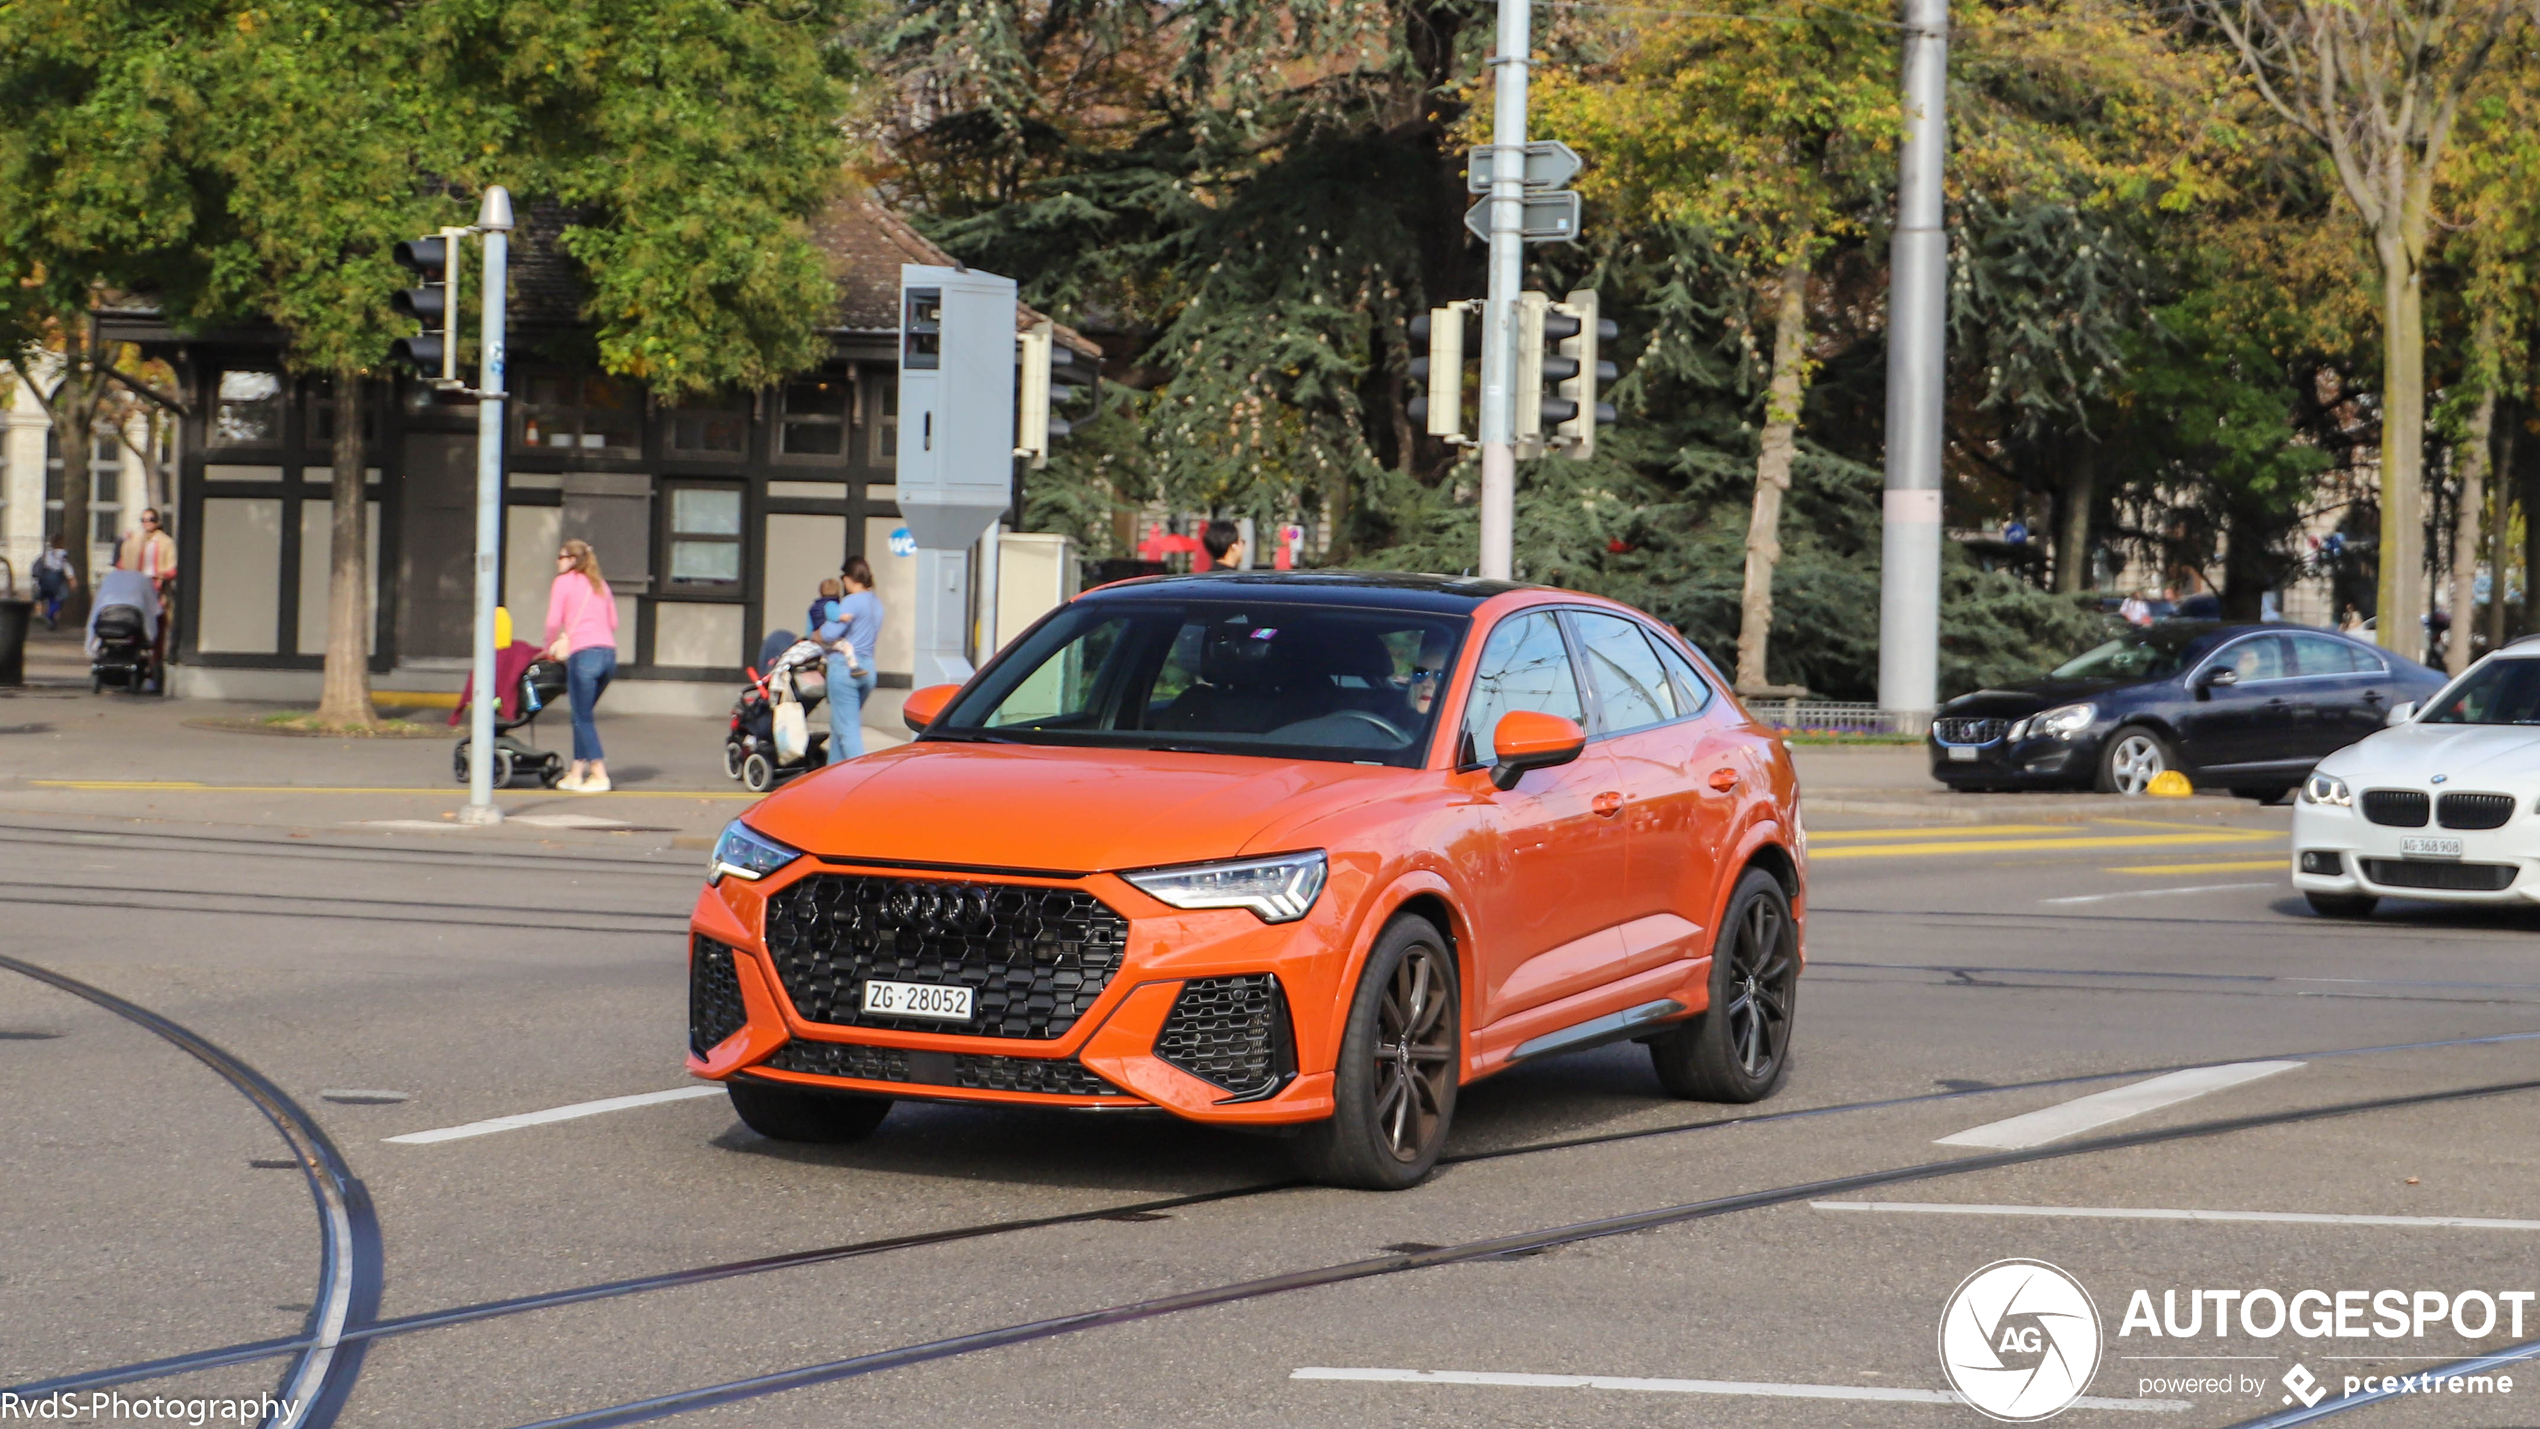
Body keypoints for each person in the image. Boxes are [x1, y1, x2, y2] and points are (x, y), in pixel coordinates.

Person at [543, 539, 619, 792]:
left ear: (573, 560)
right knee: (581, 714)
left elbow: (553, 621)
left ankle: (598, 773)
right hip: (608, 655)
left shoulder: (563, 582)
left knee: (582, 716)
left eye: (561, 556)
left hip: (583, 654)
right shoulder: (601, 585)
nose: (557, 561)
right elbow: (614, 622)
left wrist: (548, 648)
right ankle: (576, 772)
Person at [817, 557, 883, 763]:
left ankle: (861, 779)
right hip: (868, 668)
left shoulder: (851, 601)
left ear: (848, 578)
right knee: (841, 726)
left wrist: (819, 631)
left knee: (847, 731)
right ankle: (832, 778)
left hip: (844, 669)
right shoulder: (876, 603)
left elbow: (829, 634)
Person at [31, 533, 75, 629]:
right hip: (57, 580)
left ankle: (51, 620)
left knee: (51, 598)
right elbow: (66, 567)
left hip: (45, 579)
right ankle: (50, 616)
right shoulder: (63, 554)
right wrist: (72, 579)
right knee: (60, 598)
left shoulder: (46, 554)